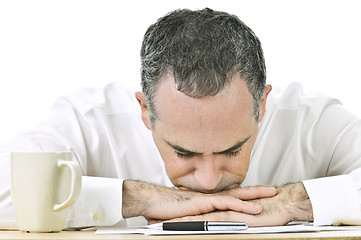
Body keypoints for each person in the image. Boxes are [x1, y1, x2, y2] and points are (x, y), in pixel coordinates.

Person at [1, 8, 361, 229]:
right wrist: (136, 198)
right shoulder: (89, 122)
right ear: (145, 110)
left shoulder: (311, 122)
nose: (207, 184)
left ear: (262, 105)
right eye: (185, 154)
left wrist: (292, 202)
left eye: (232, 150)